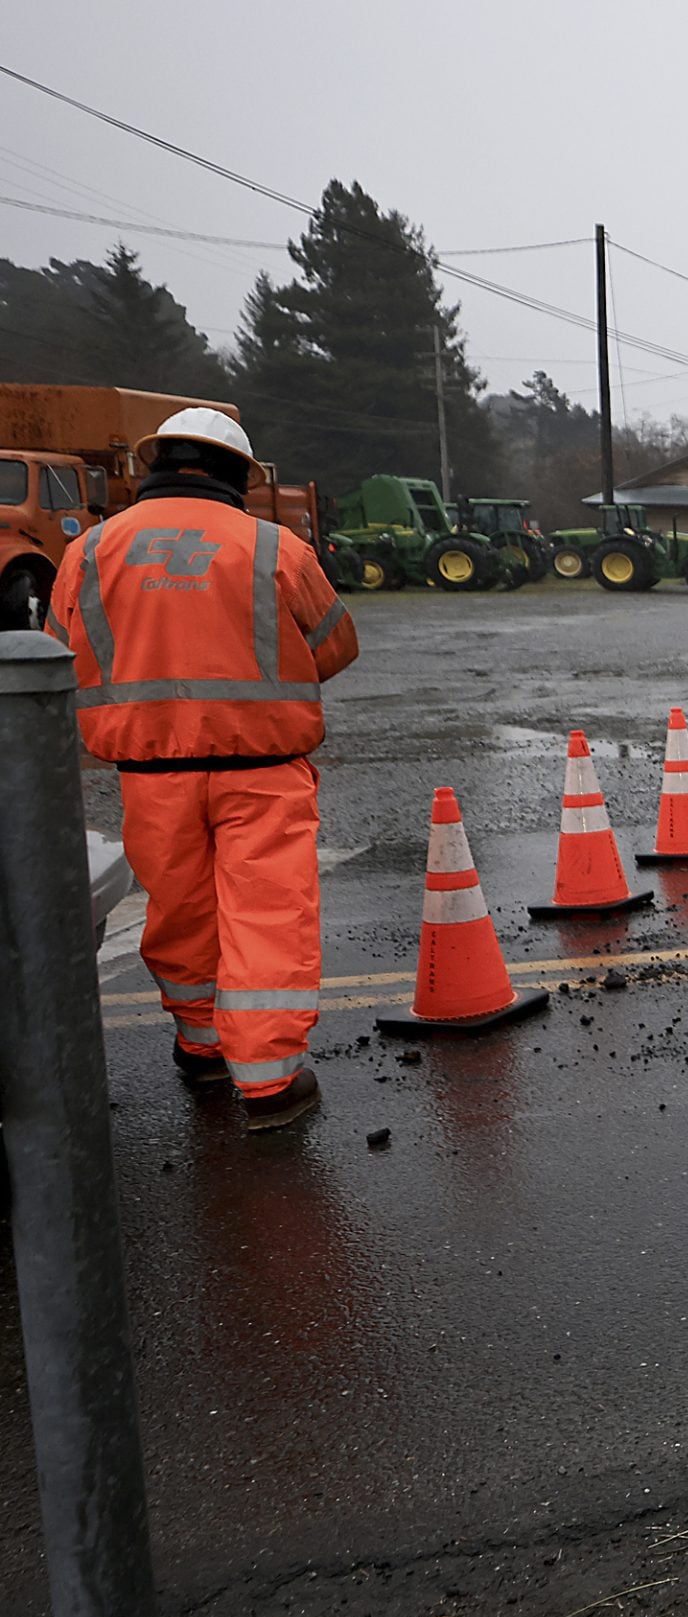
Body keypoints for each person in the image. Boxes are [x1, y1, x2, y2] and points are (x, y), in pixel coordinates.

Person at [47, 408, 359, 1131]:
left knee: (181, 912)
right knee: (268, 913)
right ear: (237, 476)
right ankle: (270, 1080)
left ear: (156, 466)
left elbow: (51, 656)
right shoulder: (274, 548)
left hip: (150, 771)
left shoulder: (90, 552)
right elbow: (336, 646)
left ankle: (201, 1043)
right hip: (261, 766)